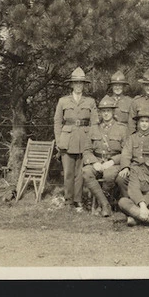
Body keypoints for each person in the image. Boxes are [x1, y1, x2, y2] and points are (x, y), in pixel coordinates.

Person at [53, 67, 98, 212]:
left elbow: (95, 122)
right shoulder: (63, 101)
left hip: (84, 139)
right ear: (72, 85)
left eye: (81, 83)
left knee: (80, 173)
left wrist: (91, 142)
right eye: (76, 83)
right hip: (67, 139)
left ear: (84, 85)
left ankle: (78, 201)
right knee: (68, 173)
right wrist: (59, 141)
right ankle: (68, 200)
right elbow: (57, 122)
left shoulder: (90, 101)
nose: (78, 86)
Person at [82, 96, 128, 216]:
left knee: (108, 175)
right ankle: (105, 204)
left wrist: (112, 162)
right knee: (86, 172)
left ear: (113, 112)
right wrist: (94, 162)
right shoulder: (94, 128)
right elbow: (87, 150)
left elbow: (126, 152)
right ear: (100, 113)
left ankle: (102, 205)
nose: (106, 113)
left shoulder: (122, 129)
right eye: (103, 111)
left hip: (113, 163)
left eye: (108, 111)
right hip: (97, 161)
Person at [116, 111, 149, 198]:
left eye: (146, 121)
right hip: (134, 168)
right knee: (121, 179)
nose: (144, 124)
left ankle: (148, 201)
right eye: (142, 121)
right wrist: (125, 167)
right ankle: (129, 201)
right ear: (138, 123)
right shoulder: (132, 138)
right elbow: (126, 153)